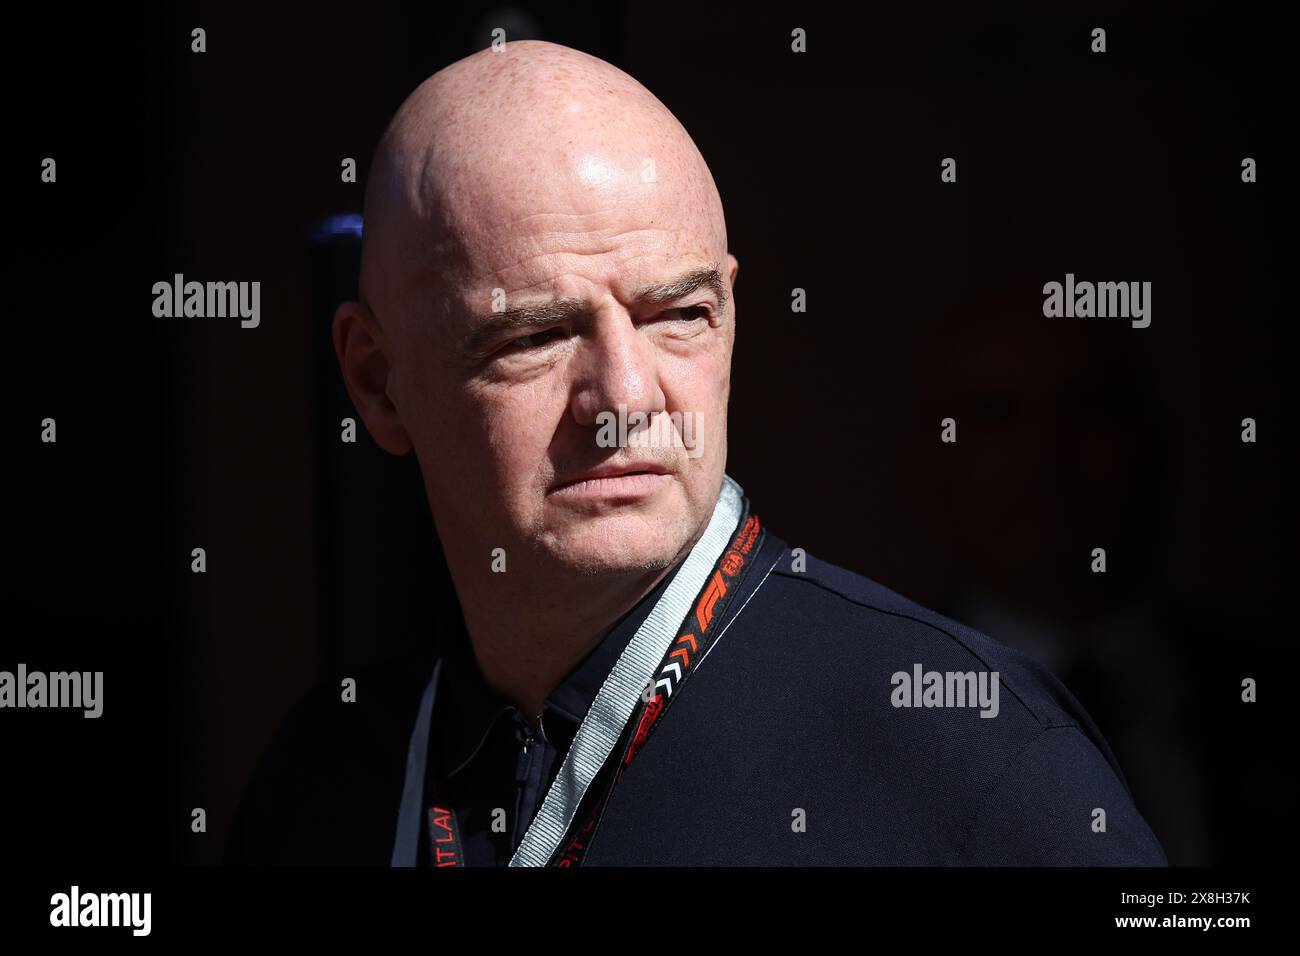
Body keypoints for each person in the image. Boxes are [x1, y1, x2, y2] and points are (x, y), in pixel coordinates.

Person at [225, 39, 1166, 866]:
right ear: (379, 382)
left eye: (679, 316)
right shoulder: (326, 786)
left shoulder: (967, 755)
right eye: (539, 337)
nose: (629, 399)